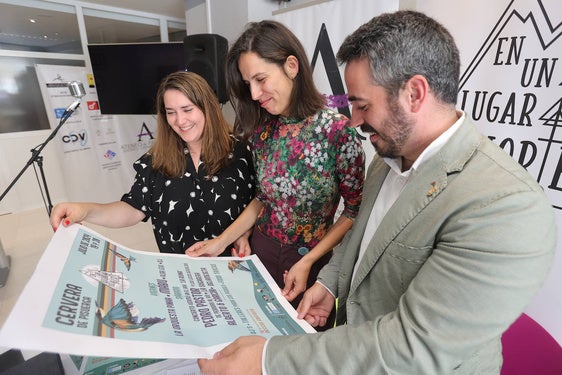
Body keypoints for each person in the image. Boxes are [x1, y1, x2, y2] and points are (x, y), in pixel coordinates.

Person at [196, 10, 557, 374]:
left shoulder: (506, 207)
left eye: (363, 105)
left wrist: (266, 359)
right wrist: (329, 283)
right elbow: (362, 242)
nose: (352, 120)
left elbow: (413, 347)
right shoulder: (385, 161)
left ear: (414, 93)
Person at [186, 20, 365, 308]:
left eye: (261, 79)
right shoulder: (263, 131)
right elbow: (262, 199)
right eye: (248, 85)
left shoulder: (337, 131)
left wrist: (308, 260)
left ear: (292, 66)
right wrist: (220, 242)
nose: (255, 95)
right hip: (261, 251)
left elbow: (354, 211)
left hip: (311, 260)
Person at [50, 71, 256, 256]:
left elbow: (260, 203)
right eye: (171, 112)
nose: (180, 120)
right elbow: (133, 209)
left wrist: (243, 233)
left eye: (187, 109)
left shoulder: (241, 152)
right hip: (180, 273)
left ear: (207, 108)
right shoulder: (155, 161)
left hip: (233, 268)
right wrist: (86, 210)